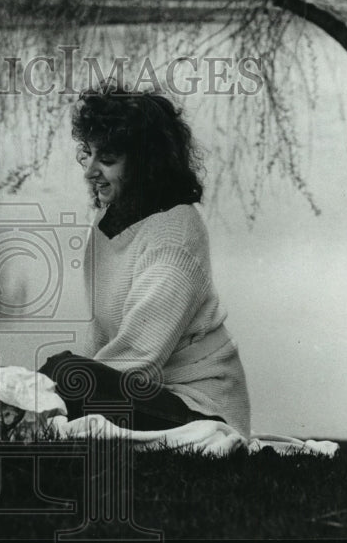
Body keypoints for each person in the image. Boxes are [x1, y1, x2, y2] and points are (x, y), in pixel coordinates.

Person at [36, 83, 252, 436]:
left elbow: (139, 358)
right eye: (88, 154)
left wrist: (54, 396)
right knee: (55, 376)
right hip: (145, 395)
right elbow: (104, 337)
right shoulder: (109, 219)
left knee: (60, 373)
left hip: (200, 410)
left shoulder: (175, 236)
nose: (90, 171)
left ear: (145, 163)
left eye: (106, 160)